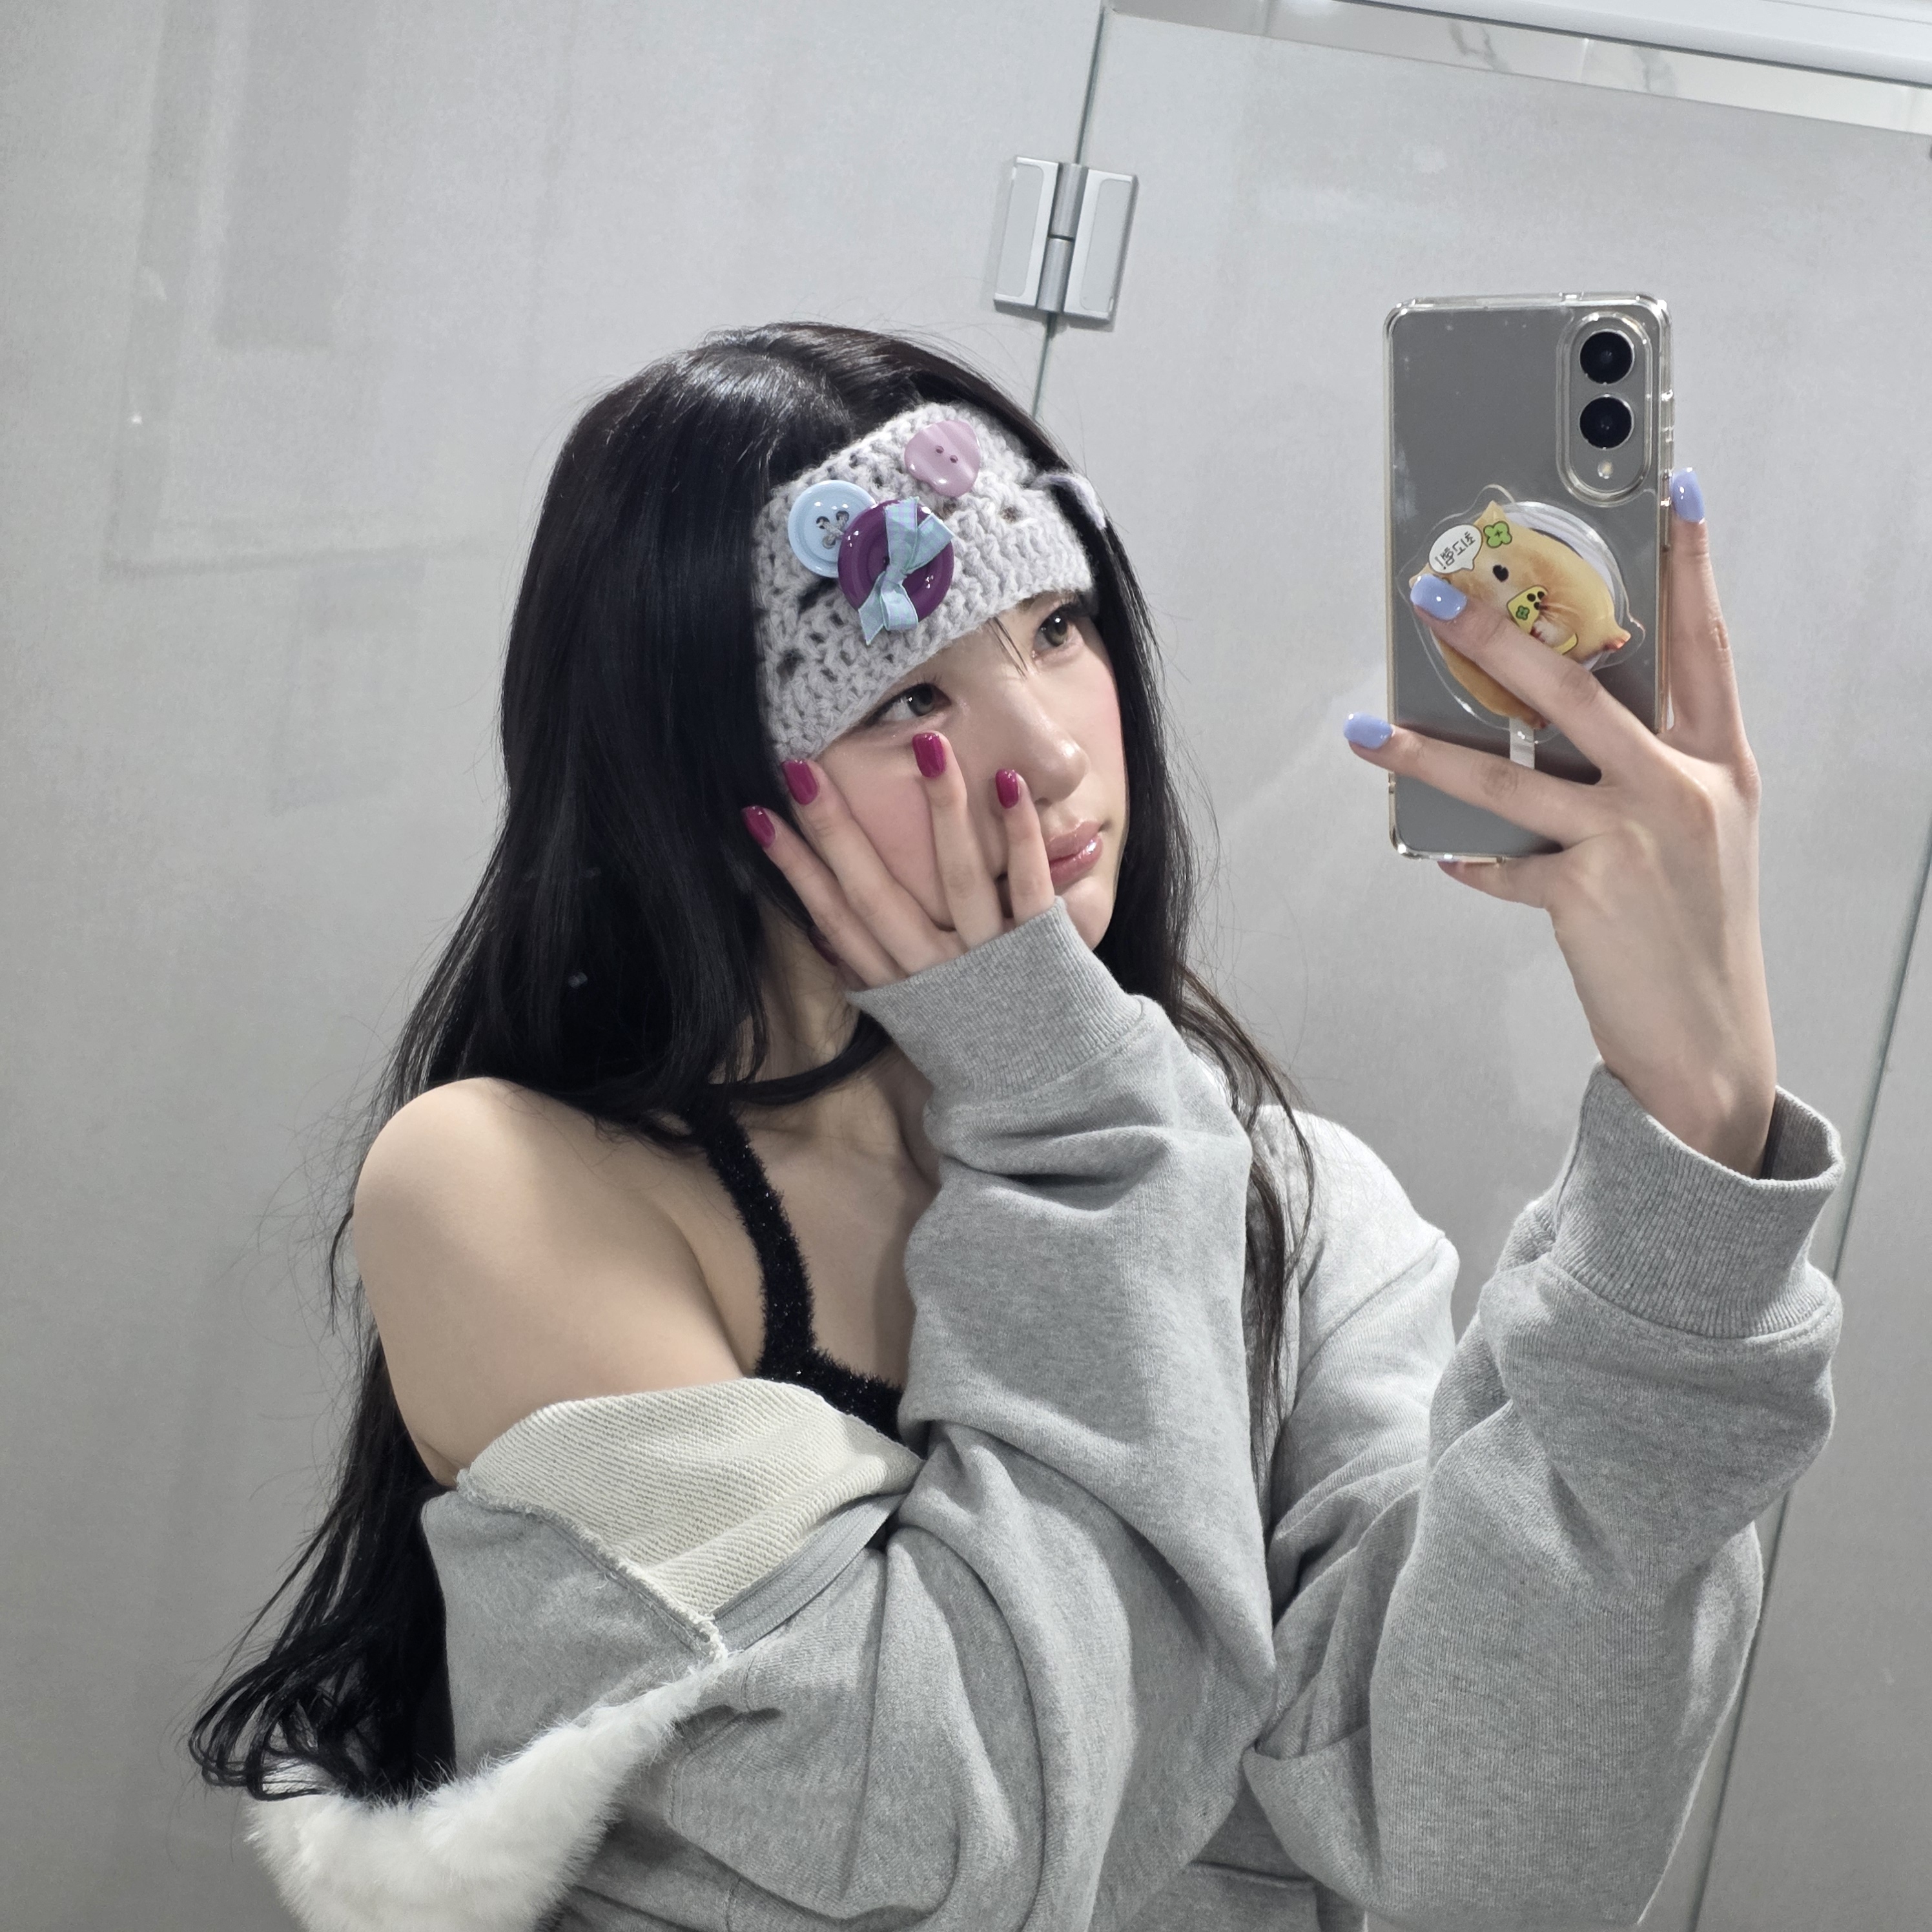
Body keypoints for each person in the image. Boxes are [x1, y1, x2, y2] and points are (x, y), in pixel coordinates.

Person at [190, 324, 1843, 1932]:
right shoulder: (513, 1185)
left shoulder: (1280, 1194)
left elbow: (1489, 1850)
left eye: (1058, 625)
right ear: (693, 780)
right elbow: (958, 1840)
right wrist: (1068, 1115)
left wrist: (1691, 1143)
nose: (1049, 748)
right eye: (904, 688)